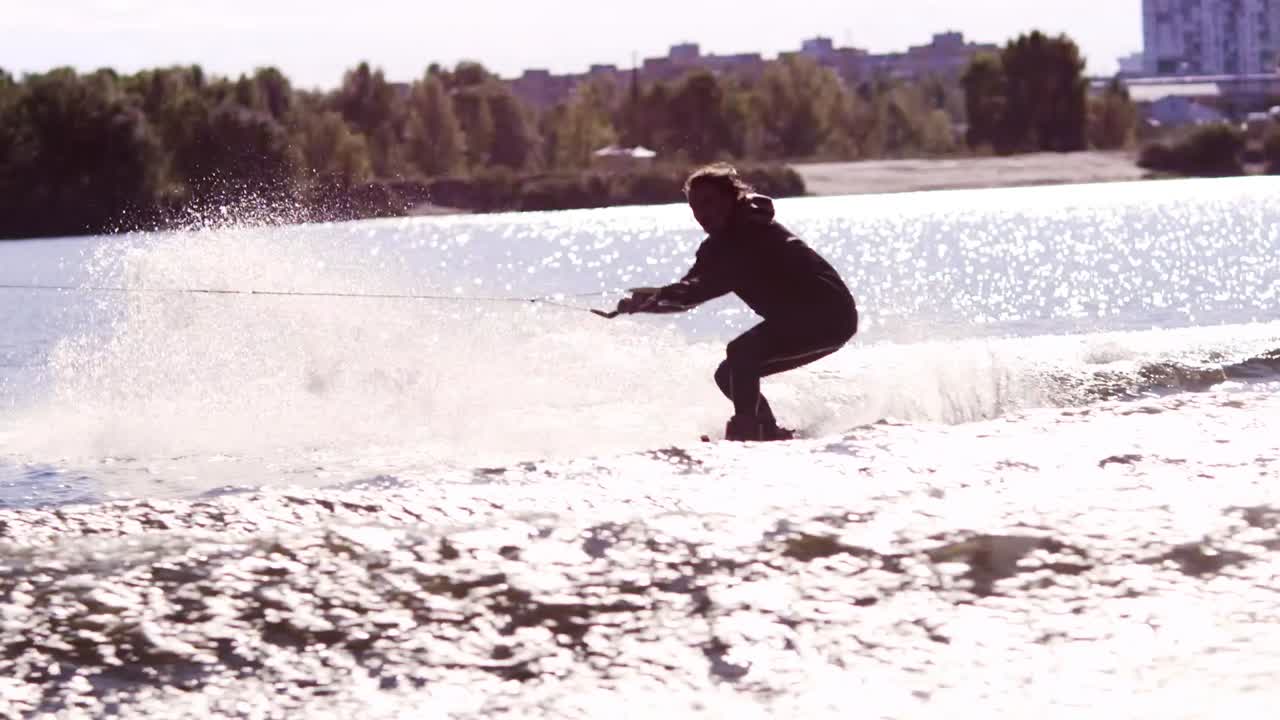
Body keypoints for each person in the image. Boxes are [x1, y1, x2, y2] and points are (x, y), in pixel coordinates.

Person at [615, 163, 858, 441]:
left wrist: (660, 295)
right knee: (729, 374)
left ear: (731, 198)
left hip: (830, 314)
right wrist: (647, 303)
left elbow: (705, 286)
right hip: (801, 319)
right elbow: (689, 294)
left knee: (743, 352)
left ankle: (748, 428)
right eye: (694, 207)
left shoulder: (752, 234)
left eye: (708, 202)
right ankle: (766, 429)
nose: (701, 213)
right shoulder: (716, 247)